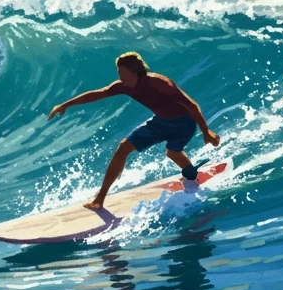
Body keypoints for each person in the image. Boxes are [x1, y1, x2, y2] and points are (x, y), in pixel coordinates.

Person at [48, 52, 220, 210]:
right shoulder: (124, 86)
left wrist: (206, 131)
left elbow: (191, 105)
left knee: (173, 153)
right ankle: (99, 199)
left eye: (122, 73)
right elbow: (99, 93)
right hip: (160, 122)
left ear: (134, 72)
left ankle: (191, 176)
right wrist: (66, 104)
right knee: (123, 147)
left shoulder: (160, 83)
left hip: (183, 123)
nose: (119, 77)